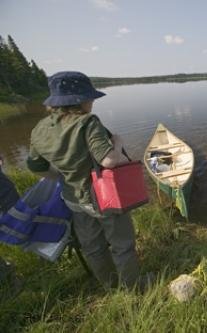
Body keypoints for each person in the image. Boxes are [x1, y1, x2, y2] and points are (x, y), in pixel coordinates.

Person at [26, 71, 141, 289]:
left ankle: (110, 285)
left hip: (73, 199)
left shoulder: (39, 128)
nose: (92, 102)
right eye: (90, 98)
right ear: (79, 100)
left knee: (92, 247)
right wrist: (117, 142)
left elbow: (35, 166)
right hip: (103, 197)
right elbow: (108, 161)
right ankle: (134, 289)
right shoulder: (87, 122)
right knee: (122, 245)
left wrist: (60, 175)